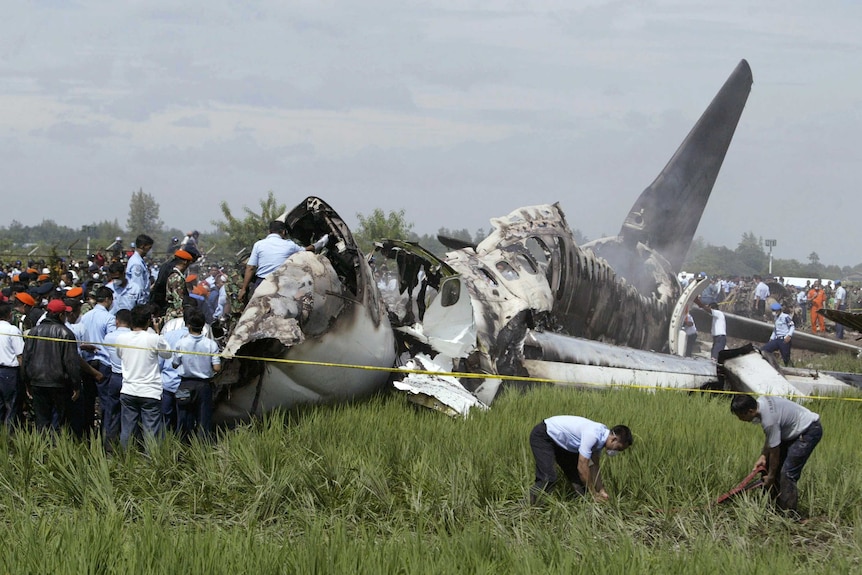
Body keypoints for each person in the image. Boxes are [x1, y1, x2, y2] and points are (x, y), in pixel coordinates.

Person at [731, 394, 822, 515]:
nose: (740, 419)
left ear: (750, 411)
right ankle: (768, 507)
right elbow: (772, 437)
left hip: (808, 431)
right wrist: (763, 456)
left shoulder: (769, 420)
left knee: (787, 473)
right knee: (767, 467)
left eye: (741, 416)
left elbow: (775, 451)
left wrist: (771, 476)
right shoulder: (761, 401)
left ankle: (788, 516)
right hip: (792, 431)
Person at [529, 415, 632, 503]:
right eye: (618, 448)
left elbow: (594, 466)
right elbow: (582, 466)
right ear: (614, 439)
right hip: (545, 435)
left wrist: (601, 491)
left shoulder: (601, 438)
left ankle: (579, 511)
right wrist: (593, 494)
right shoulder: (593, 435)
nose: (616, 452)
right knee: (548, 478)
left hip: (563, 444)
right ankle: (528, 506)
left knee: (579, 482)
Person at [21, 299, 82, 432]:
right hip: (58, 383)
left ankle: (42, 449)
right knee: (58, 422)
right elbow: (71, 362)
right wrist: (76, 385)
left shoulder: (33, 332)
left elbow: (26, 358)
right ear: (61, 315)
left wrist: (26, 383)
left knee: (41, 421)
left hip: (37, 381)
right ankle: (55, 449)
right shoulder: (66, 333)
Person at [116, 305, 172, 450]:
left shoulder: (121, 338)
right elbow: (167, 354)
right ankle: (151, 465)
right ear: (148, 321)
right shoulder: (153, 338)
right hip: (150, 392)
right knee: (151, 432)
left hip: (128, 389)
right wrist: (158, 331)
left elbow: (119, 355)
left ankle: (124, 462)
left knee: (127, 430)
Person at [238, 220, 327, 302]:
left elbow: (250, 267)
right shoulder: (289, 245)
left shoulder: (258, 245)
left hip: (262, 282)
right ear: (284, 232)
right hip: (283, 283)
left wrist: (243, 289)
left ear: (269, 232)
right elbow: (306, 251)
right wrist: (322, 242)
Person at [172, 308, 221, 441]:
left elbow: (174, 364)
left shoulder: (181, 343)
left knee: (183, 417)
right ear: (203, 325)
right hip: (204, 385)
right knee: (204, 419)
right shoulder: (211, 344)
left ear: (188, 325)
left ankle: (182, 447)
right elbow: (217, 367)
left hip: (185, 384)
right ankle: (202, 448)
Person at [101, 308, 130, 451]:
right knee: (129, 412)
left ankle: (108, 442)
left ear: (116, 321)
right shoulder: (132, 337)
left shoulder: (109, 337)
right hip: (129, 378)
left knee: (111, 410)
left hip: (115, 376)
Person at [0, 303, 24, 426]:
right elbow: (20, 354)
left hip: (5, 372)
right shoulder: (12, 330)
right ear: (9, 315)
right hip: (9, 373)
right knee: (11, 407)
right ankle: (8, 438)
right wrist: (24, 375)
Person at [761, 302, 795, 366]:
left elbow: (792, 326)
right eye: (773, 310)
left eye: (775, 311)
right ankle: (772, 364)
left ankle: (792, 369)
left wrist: (789, 335)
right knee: (765, 349)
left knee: (786, 358)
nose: (773, 312)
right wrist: (771, 338)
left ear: (779, 310)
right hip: (777, 339)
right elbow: (775, 330)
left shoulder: (785, 317)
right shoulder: (776, 318)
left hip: (784, 339)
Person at [126, 234, 154, 306]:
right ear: (143, 246)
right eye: (149, 248)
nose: (150, 250)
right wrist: (142, 304)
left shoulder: (140, 261)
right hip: (138, 303)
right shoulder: (137, 264)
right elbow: (138, 287)